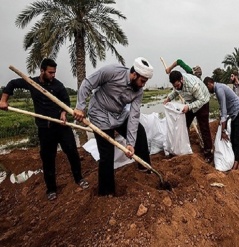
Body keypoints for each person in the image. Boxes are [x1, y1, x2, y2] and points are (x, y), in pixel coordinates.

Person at [0, 58, 88, 201]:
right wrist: (4, 100)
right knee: (48, 159)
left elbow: (65, 102)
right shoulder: (32, 83)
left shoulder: (58, 86)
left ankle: (79, 179)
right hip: (44, 129)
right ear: (42, 71)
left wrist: (63, 113)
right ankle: (51, 189)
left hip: (61, 127)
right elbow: (12, 84)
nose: (53, 75)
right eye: (50, 72)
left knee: (72, 152)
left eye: (54, 72)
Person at [73, 57, 153, 196]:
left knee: (139, 132)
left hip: (119, 114)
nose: (143, 85)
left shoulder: (138, 91)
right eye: (142, 81)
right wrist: (80, 107)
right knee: (107, 154)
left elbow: (133, 116)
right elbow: (88, 83)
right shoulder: (113, 71)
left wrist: (130, 144)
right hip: (100, 114)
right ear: (134, 74)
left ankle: (144, 168)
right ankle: (106, 192)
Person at [164, 67, 213, 163]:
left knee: (204, 127)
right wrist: (168, 99)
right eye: (175, 86)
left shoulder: (192, 85)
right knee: (183, 124)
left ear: (181, 79)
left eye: (178, 85)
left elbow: (201, 100)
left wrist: (189, 107)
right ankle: (182, 147)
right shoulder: (177, 85)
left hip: (202, 102)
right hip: (190, 102)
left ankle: (208, 153)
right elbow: (175, 92)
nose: (177, 87)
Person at [203, 77, 239, 170]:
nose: (207, 90)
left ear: (210, 84)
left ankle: (236, 165)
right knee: (232, 138)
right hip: (235, 115)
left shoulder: (219, 90)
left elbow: (224, 111)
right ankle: (232, 160)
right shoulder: (218, 89)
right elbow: (223, 109)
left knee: (236, 140)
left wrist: (223, 130)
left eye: (207, 87)